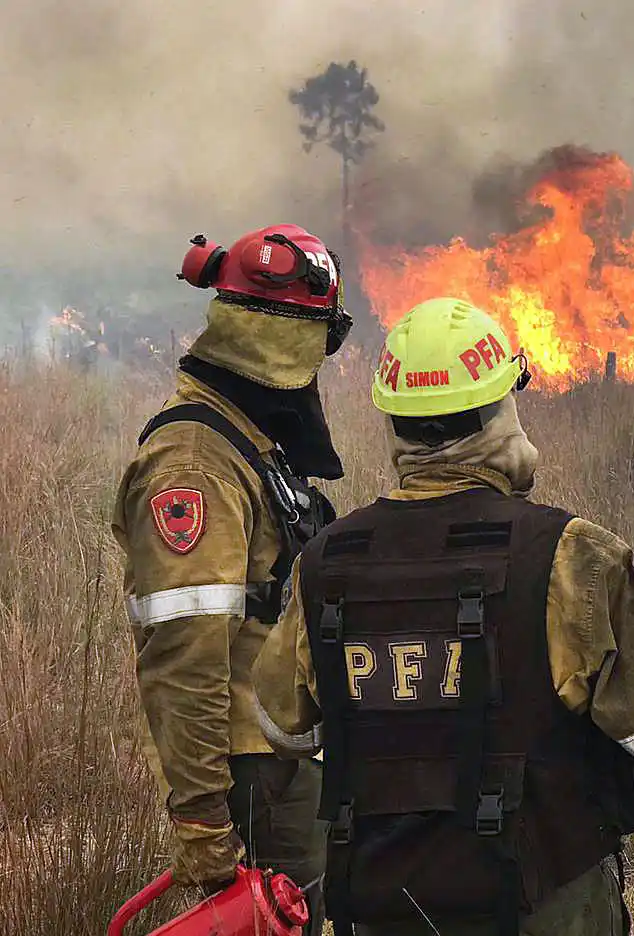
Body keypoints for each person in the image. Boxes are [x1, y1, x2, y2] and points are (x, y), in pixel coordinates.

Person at [251, 297, 634, 936]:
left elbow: (283, 728)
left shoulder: (326, 564)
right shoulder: (568, 556)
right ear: (497, 412)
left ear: (393, 421)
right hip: (543, 905)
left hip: (382, 903)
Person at [112, 225, 353, 929]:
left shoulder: (245, 440)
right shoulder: (195, 463)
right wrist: (202, 822)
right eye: (319, 339)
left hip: (280, 756)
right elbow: (185, 653)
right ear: (283, 337)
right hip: (249, 774)